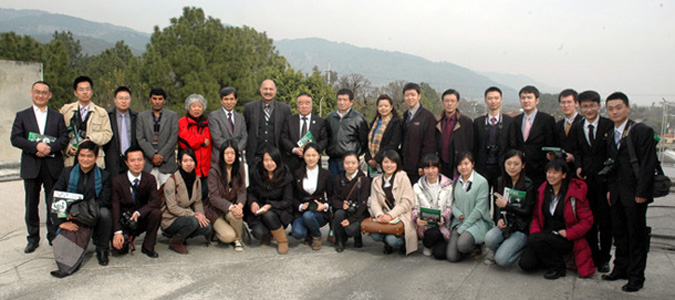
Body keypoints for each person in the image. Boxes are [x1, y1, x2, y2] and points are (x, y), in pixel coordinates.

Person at [602, 92, 657, 292]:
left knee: (636, 236)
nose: (615, 112)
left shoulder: (641, 131)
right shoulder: (611, 132)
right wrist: (610, 190)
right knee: (620, 234)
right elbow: (612, 164)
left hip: (635, 193)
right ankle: (620, 268)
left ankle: (636, 276)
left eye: (618, 107)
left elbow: (648, 165)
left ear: (628, 108)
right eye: (610, 108)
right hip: (616, 193)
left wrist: (642, 191)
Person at [11, 81, 69, 253]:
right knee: (31, 203)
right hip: (32, 165)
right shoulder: (22, 116)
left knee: (53, 203)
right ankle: (33, 238)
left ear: (49, 95)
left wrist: (49, 148)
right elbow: (15, 138)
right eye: (37, 92)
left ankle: (53, 236)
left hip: (52, 165)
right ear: (31, 93)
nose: (40, 95)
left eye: (44, 92)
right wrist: (36, 146)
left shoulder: (57, 116)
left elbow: (64, 138)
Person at [519, 160, 595, 280]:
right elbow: (536, 216)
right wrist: (536, 234)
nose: (551, 175)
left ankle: (558, 267)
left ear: (564, 175)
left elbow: (587, 221)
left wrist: (569, 233)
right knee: (526, 264)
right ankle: (553, 258)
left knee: (535, 240)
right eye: (548, 172)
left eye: (555, 173)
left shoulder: (574, 193)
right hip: (545, 235)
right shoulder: (543, 190)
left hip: (565, 236)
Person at [49, 141, 113, 278]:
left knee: (105, 213)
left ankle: (102, 249)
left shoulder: (104, 176)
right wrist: (60, 221)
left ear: (96, 158)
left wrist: (79, 212)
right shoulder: (67, 173)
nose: (85, 159)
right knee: (65, 248)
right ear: (77, 156)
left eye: (89, 156)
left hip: (92, 213)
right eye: (82, 155)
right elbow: (55, 196)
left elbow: (104, 200)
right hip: (70, 214)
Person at [569, 90, 614, 273]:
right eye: (585, 106)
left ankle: (604, 258)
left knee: (605, 222)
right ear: (580, 106)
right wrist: (578, 165)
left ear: (599, 105)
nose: (588, 109)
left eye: (592, 106)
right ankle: (593, 255)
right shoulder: (578, 126)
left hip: (604, 181)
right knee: (588, 221)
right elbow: (577, 151)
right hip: (586, 181)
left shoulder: (608, 125)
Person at [484, 149, 535, 267]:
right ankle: (506, 247)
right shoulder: (500, 181)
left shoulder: (528, 184)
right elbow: (497, 206)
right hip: (506, 225)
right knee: (489, 238)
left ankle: (520, 249)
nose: (512, 167)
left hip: (520, 228)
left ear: (523, 165)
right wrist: (499, 219)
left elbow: (527, 212)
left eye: (516, 164)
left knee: (501, 260)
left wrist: (507, 206)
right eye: (509, 163)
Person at [111, 146, 162, 258]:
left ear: (144, 161)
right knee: (120, 250)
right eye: (132, 160)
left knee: (156, 213)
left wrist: (139, 212)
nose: (136, 163)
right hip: (124, 221)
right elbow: (115, 206)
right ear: (126, 163)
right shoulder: (117, 180)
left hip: (141, 218)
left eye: (139, 160)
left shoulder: (150, 179)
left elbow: (156, 201)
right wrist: (117, 231)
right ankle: (123, 239)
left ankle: (148, 247)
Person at [161, 149, 212, 254]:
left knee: (206, 227)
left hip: (187, 216)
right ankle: (176, 241)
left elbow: (198, 202)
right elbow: (172, 207)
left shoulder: (196, 180)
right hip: (171, 219)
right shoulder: (172, 181)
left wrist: (201, 216)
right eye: (185, 161)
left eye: (191, 160)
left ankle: (183, 236)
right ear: (179, 162)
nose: (189, 163)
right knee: (192, 222)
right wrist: (194, 214)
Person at [368, 150, 418, 255]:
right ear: (381, 163)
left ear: (397, 163)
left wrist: (390, 215)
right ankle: (387, 242)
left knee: (393, 240)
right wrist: (379, 214)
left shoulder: (403, 178)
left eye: (392, 162)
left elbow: (407, 202)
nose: (389, 165)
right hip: (384, 216)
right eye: (386, 162)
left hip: (401, 215)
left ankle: (401, 242)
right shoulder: (376, 181)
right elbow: (374, 202)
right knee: (375, 234)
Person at [246, 146, 294, 254]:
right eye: (266, 160)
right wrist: (253, 202)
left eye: (272, 160)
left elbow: (287, 200)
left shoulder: (285, 175)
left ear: (277, 160)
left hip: (279, 211)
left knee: (269, 214)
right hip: (260, 211)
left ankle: (282, 241)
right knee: (258, 233)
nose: (269, 163)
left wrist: (270, 205)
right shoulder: (257, 173)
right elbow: (250, 191)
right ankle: (268, 234)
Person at [447, 151, 492, 262]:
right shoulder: (456, 181)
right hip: (459, 221)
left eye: (466, 163)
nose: (463, 167)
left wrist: (463, 228)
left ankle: (478, 245)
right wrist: (458, 214)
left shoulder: (482, 182)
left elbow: (479, 209)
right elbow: (453, 202)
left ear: (473, 164)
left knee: (462, 244)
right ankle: (466, 248)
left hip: (476, 222)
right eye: (460, 164)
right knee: (452, 257)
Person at [60, 76, 113, 168]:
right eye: (81, 89)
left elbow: (108, 134)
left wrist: (91, 138)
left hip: (94, 158)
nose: (85, 92)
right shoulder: (66, 111)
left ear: (92, 91)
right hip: (72, 158)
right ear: (75, 93)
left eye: (87, 89)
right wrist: (68, 148)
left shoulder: (101, 113)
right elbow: (60, 133)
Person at [290, 143, 333, 250]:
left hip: (319, 212)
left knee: (309, 216)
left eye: (314, 155)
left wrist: (325, 206)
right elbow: (292, 195)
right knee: (297, 233)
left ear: (319, 156)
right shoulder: (297, 174)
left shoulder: (326, 174)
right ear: (303, 156)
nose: (311, 158)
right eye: (308, 155)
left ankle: (317, 237)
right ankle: (309, 232)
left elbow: (332, 195)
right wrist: (300, 206)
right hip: (303, 211)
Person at [206, 141, 247, 251]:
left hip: (232, 207)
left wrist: (239, 205)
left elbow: (242, 191)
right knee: (228, 236)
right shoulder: (214, 171)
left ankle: (238, 239)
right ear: (222, 155)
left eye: (232, 153)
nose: (230, 156)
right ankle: (217, 231)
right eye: (227, 153)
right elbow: (213, 197)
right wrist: (230, 207)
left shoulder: (240, 167)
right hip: (216, 210)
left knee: (237, 214)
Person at [513, 85, 557, 188]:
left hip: (540, 169)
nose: (526, 100)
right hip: (520, 169)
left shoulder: (547, 120)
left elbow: (551, 143)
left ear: (537, 100)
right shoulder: (515, 120)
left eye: (529, 97)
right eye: (523, 98)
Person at [474, 86, 516, 190]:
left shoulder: (509, 122)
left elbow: (513, 145)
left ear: (501, 100)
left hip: (502, 168)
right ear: (485, 101)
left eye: (496, 98)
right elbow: (474, 146)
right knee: (483, 200)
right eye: (490, 98)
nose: (493, 101)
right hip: (482, 168)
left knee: (500, 199)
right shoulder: (478, 122)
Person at [412, 153, 453, 260]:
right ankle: (427, 245)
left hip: (442, 225)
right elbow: (414, 208)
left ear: (439, 168)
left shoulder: (448, 185)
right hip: (426, 226)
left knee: (441, 254)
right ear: (423, 169)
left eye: (433, 167)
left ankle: (437, 244)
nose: (430, 171)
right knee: (432, 234)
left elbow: (450, 206)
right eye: (427, 167)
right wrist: (417, 219)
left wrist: (444, 217)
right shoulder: (417, 187)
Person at [243, 79, 291, 167]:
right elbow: (246, 129)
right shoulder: (249, 108)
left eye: (271, 89)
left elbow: (287, 132)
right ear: (260, 90)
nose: (268, 92)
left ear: (275, 91)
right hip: (255, 157)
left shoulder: (285, 109)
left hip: (277, 157)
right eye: (265, 89)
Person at [137, 88, 178, 187]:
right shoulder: (142, 116)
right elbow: (140, 138)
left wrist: (161, 156)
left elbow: (174, 137)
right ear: (150, 99)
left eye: (160, 99)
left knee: (168, 193)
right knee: (149, 193)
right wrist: (152, 155)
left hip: (167, 162)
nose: (157, 102)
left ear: (164, 100)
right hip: (148, 163)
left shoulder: (172, 115)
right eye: (154, 99)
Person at [331, 151, 371, 252]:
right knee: (338, 214)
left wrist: (351, 220)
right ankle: (340, 240)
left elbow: (363, 204)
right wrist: (341, 204)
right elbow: (334, 198)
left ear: (358, 163)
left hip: (359, 213)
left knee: (351, 229)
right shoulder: (339, 178)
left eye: (353, 163)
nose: (350, 166)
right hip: (345, 210)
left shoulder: (364, 180)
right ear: (342, 164)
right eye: (347, 163)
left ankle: (357, 236)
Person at [325, 88, 369, 177]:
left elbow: (364, 140)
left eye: (345, 100)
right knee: (333, 187)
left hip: (350, 161)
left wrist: (356, 154)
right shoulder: (330, 117)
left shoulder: (358, 118)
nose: (342, 102)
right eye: (339, 99)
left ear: (351, 102)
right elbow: (327, 137)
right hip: (333, 159)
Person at [280, 93, 328, 172]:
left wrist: (313, 151)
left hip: (313, 162)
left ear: (312, 104)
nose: (304, 106)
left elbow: (325, 139)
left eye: (307, 103)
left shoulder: (320, 121)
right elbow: (283, 137)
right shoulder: (289, 120)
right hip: (293, 161)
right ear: (297, 105)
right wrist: (294, 149)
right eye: (301, 103)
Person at [400, 82, 437, 184]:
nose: (410, 98)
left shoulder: (427, 116)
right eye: (407, 95)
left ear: (419, 96)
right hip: (405, 165)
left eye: (413, 95)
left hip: (418, 167)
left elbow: (430, 144)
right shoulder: (406, 115)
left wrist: (423, 165)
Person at [178, 94, 212, 200]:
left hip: (206, 168)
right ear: (188, 107)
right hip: (190, 167)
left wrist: (197, 139)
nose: (197, 109)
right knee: (190, 196)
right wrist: (201, 140)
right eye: (194, 106)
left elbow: (210, 141)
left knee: (204, 195)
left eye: (199, 106)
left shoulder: (207, 123)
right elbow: (186, 141)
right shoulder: (183, 121)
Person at [436, 89, 474, 178]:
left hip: (459, 166)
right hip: (441, 164)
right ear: (442, 102)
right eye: (447, 101)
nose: (449, 104)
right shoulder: (437, 122)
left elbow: (471, 145)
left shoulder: (466, 122)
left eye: (452, 101)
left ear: (457, 103)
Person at [365, 94, 402, 177]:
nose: (383, 108)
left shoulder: (396, 123)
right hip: (372, 165)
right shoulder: (374, 123)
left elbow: (393, 144)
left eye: (386, 106)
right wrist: (369, 159)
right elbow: (368, 143)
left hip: (387, 163)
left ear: (391, 107)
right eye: (380, 106)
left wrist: (377, 159)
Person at [104, 86, 138, 177]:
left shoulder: (136, 117)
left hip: (132, 159)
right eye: (121, 98)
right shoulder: (107, 116)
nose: (124, 101)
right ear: (115, 100)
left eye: (126, 98)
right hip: (113, 159)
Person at [208, 87, 247, 163]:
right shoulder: (214, 116)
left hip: (237, 157)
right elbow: (217, 138)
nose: (229, 102)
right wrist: (230, 151)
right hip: (220, 157)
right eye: (226, 99)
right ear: (221, 100)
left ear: (236, 100)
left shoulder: (240, 117)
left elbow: (244, 137)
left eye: (231, 99)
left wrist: (236, 150)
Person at [554, 89, 583, 163]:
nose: (566, 105)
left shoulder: (583, 123)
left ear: (576, 103)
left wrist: (574, 157)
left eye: (569, 102)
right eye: (563, 102)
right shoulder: (558, 125)